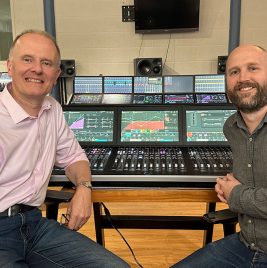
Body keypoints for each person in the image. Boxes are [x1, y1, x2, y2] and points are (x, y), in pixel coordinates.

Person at [0, 29, 130, 268]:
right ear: (10, 66)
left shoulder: (52, 108)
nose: (37, 69)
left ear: (56, 73)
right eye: (27, 59)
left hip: (34, 224)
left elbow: (74, 157)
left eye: (46, 63)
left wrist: (83, 187)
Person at [171, 44, 267, 267]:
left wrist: (235, 194)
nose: (243, 78)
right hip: (246, 245)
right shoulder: (231, 127)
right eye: (234, 72)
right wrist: (228, 183)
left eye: (253, 68)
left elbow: (240, 193)